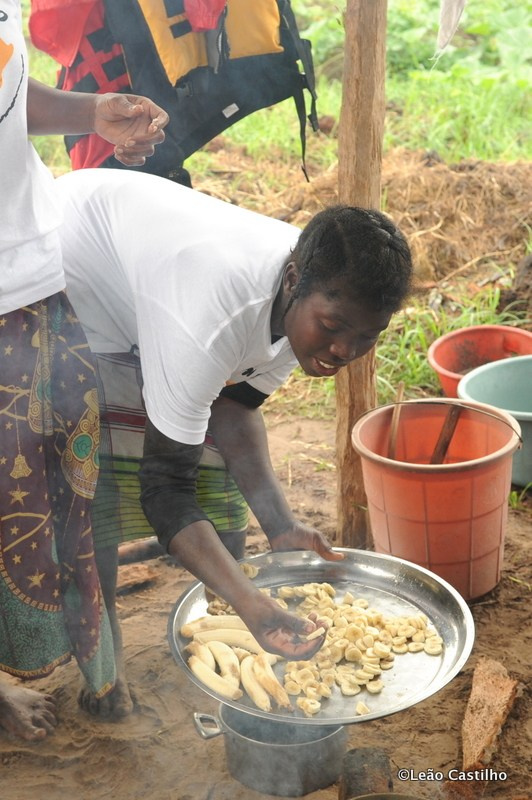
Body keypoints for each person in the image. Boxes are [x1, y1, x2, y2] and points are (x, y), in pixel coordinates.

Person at [54, 167, 414, 714]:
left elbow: (234, 406)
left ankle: (226, 602)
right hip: (58, 277)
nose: (346, 350)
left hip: (137, 286)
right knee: (93, 488)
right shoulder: (212, 317)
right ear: (293, 280)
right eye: (336, 327)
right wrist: (255, 606)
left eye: (367, 336)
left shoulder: (307, 304)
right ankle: (101, 673)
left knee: (209, 464)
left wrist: (281, 525)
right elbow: (165, 490)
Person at [0, 0, 169, 741]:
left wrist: (88, 112)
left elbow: (7, 89)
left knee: (71, 486)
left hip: (36, 271)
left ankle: (97, 673)